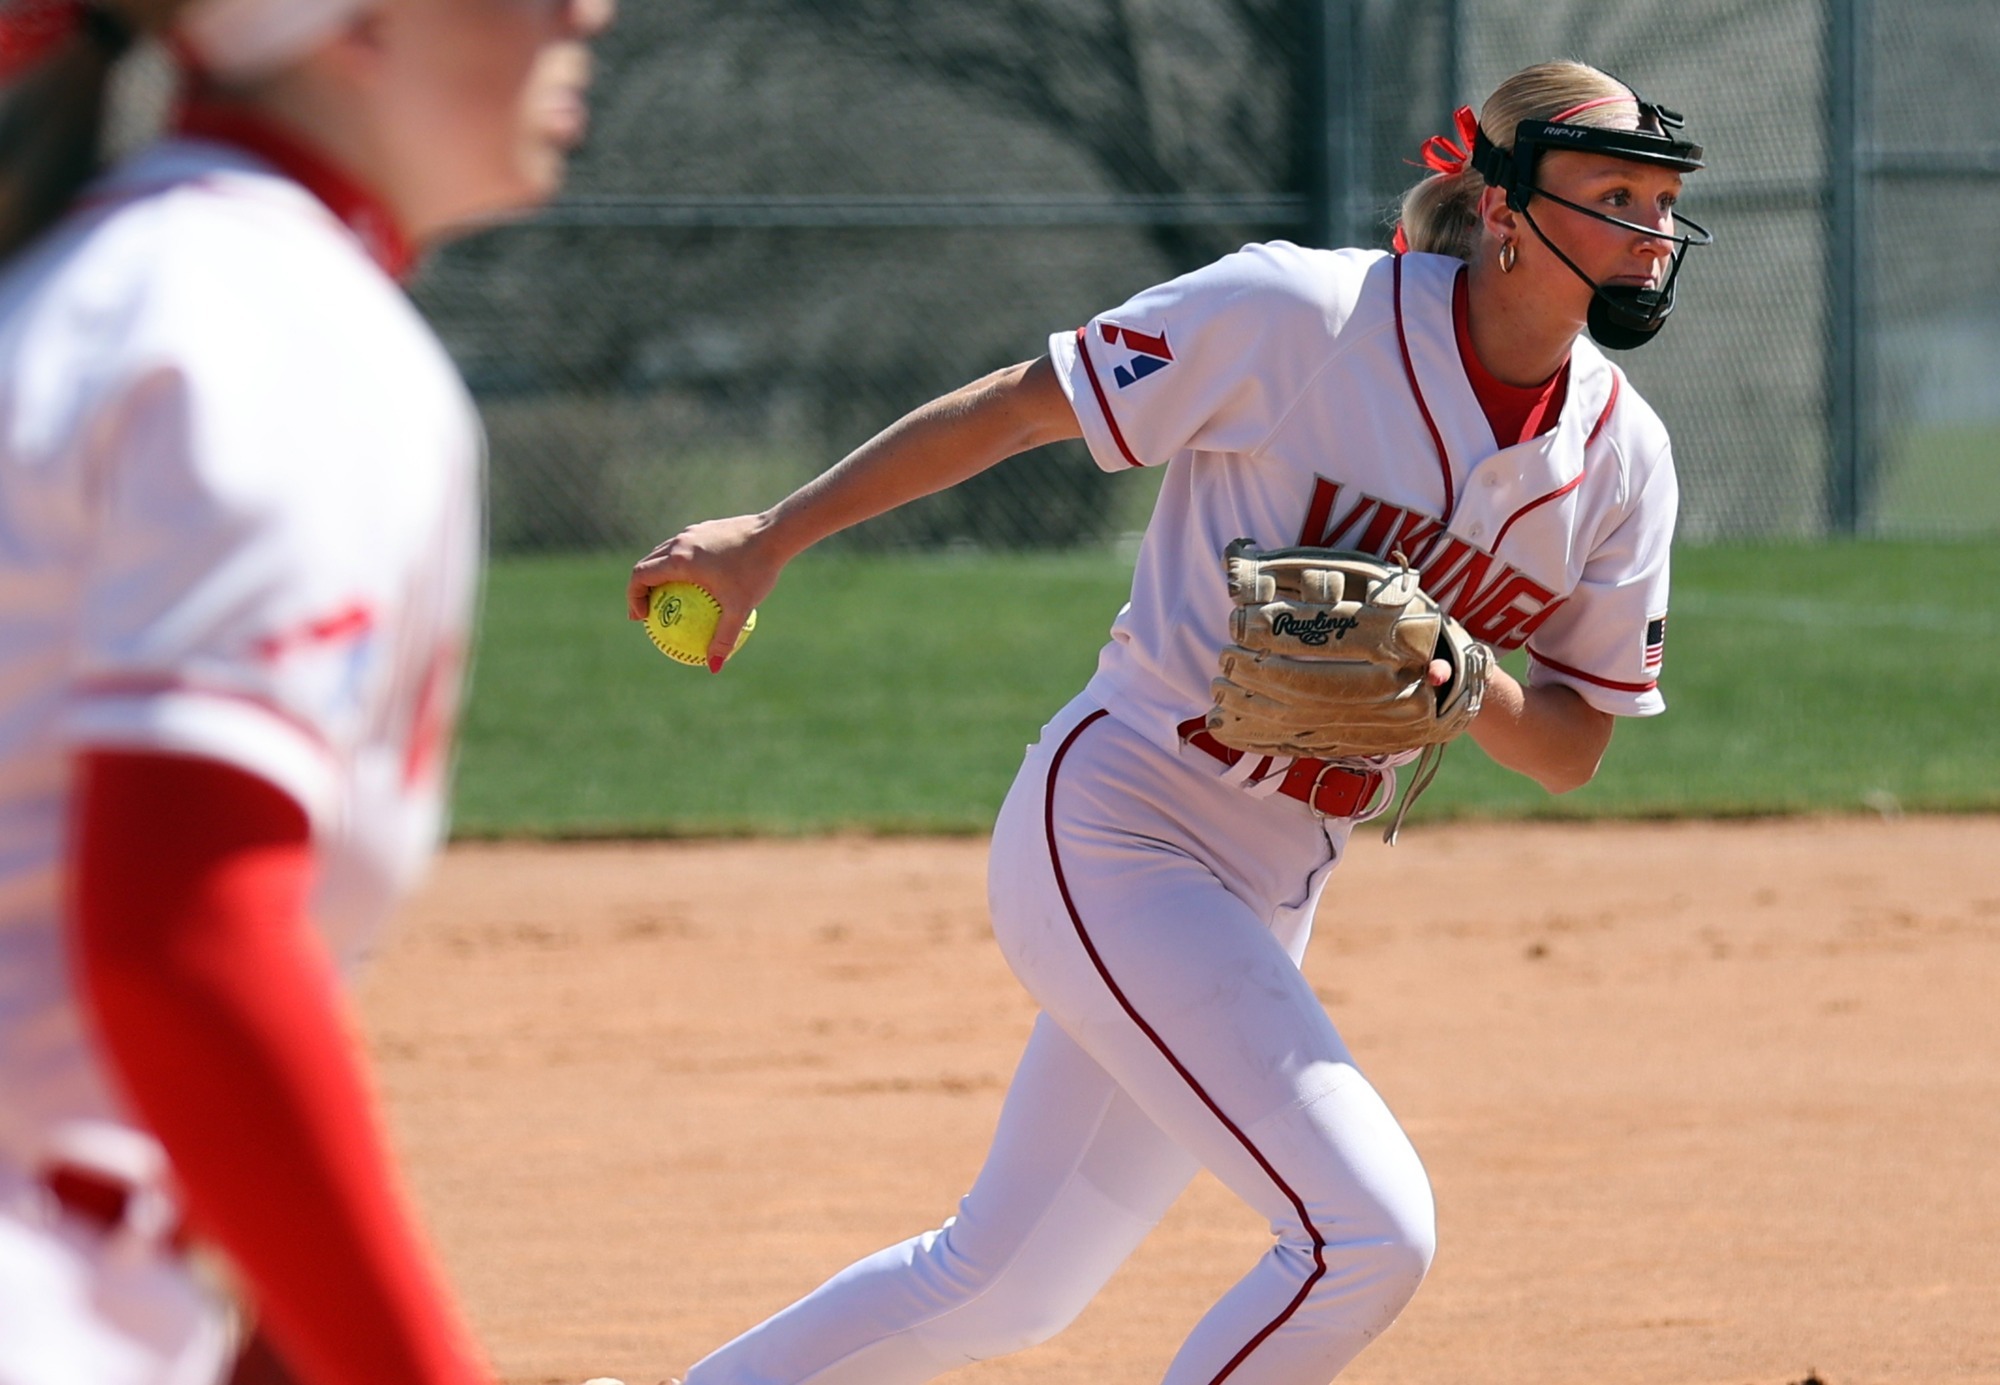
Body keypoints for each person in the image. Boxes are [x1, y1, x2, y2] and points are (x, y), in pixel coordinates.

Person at [628, 57, 1708, 1385]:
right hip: (1123, 822)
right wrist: (770, 536)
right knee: (1368, 1236)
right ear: (1498, 209)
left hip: (1274, 885)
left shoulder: (1622, 457)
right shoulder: (1302, 315)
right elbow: (1030, 403)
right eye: (1612, 194)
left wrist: (1461, 675)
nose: (1649, 231)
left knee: (1006, 1279)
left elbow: (1569, 745)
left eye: (1660, 202)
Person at [0, 0, 613, 1382]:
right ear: (349, 24)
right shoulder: (272, 322)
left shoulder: (140, 280)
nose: (585, 9)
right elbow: (186, 938)